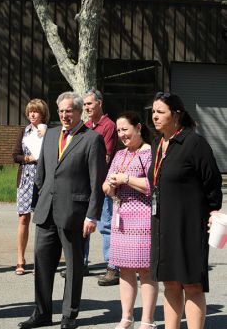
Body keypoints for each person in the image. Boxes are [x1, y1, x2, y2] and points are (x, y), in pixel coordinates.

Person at [18, 91, 106, 329]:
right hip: (46, 210)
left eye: (70, 111)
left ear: (79, 112)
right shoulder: (52, 134)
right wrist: (44, 196)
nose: (65, 115)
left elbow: (96, 181)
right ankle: (42, 313)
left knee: (74, 266)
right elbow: (42, 174)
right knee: (42, 265)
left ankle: (69, 315)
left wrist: (92, 215)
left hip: (73, 213)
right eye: (61, 111)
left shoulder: (91, 139)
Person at [148, 92, 223, 329]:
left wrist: (212, 212)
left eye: (161, 112)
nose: (155, 117)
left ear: (176, 115)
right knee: (170, 283)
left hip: (189, 225)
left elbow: (212, 185)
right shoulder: (157, 144)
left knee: (191, 284)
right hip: (163, 225)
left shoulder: (194, 143)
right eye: (153, 112)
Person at [103, 111, 159, 329]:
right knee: (125, 270)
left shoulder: (150, 153)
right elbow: (105, 186)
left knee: (145, 271)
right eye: (118, 131)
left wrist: (126, 178)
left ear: (138, 127)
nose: (121, 134)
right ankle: (126, 318)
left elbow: (152, 185)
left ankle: (148, 320)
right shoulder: (119, 155)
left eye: (125, 129)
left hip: (144, 220)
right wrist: (111, 186)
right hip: (122, 219)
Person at [83, 88, 119, 286]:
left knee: (105, 225)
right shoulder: (87, 126)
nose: (87, 107)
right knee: (84, 225)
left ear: (100, 103)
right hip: (86, 183)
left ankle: (112, 267)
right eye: (85, 104)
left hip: (102, 183)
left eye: (90, 103)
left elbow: (103, 158)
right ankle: (81, 263)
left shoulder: (109, 126)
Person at [12, 99, 50, 275]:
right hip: (26, 179)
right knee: (23, 219)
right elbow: (15, 156)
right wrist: (28, 159)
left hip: (44, 179)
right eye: (30, 111)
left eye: (36, 111)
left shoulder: (49, 132)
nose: (32, 114)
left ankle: (41, 261)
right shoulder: (23, 131)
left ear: (43, 114)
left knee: (43, 221)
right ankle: (20, 259)